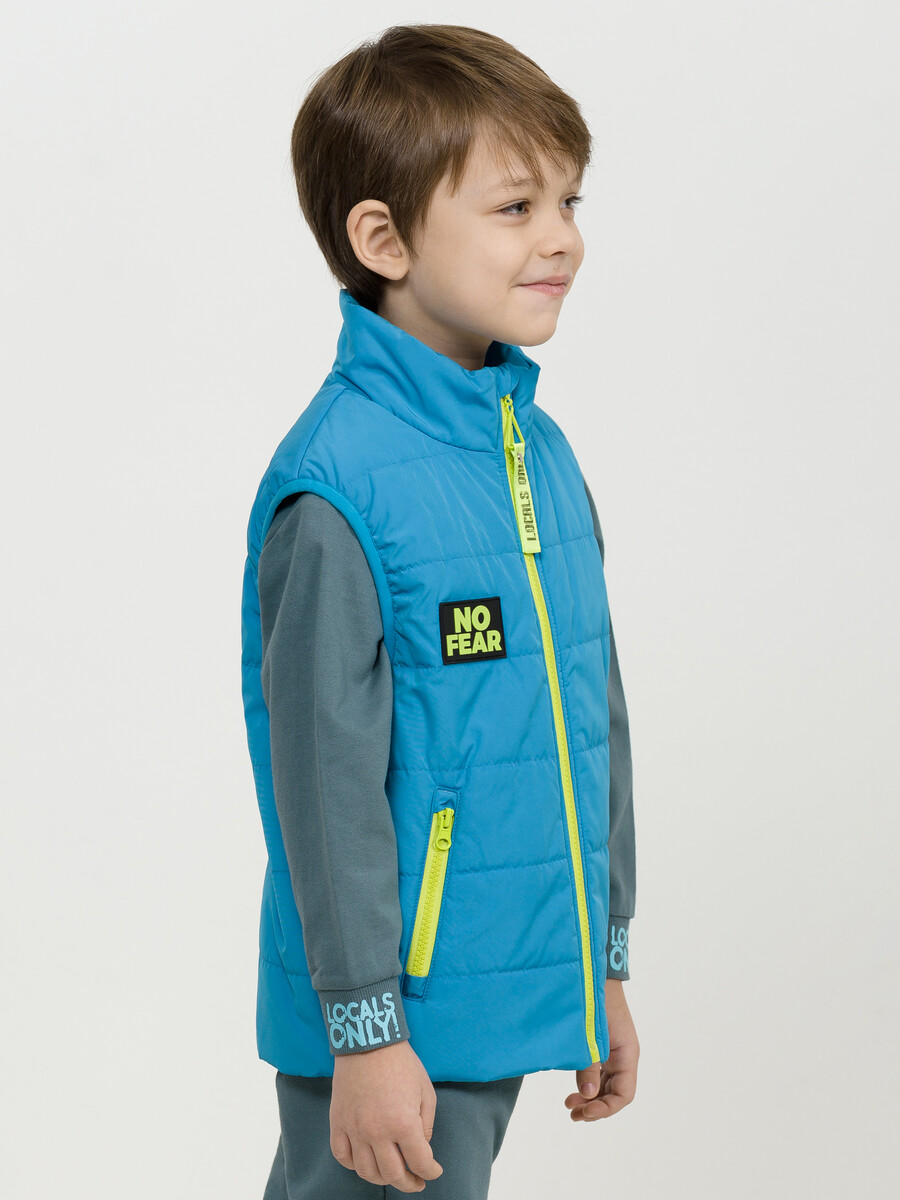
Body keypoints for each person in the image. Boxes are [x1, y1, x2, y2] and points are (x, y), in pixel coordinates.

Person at [240, 23, 639, 1199]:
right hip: (395, 1027)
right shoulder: (340, 488)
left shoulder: (537, 455)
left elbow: (591, 718)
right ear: (385, 239)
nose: (562, 236)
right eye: (515, 207)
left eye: (568, 200)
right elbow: (322, 787)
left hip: (504, 993)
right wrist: (365, 1029)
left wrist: (598, 967)